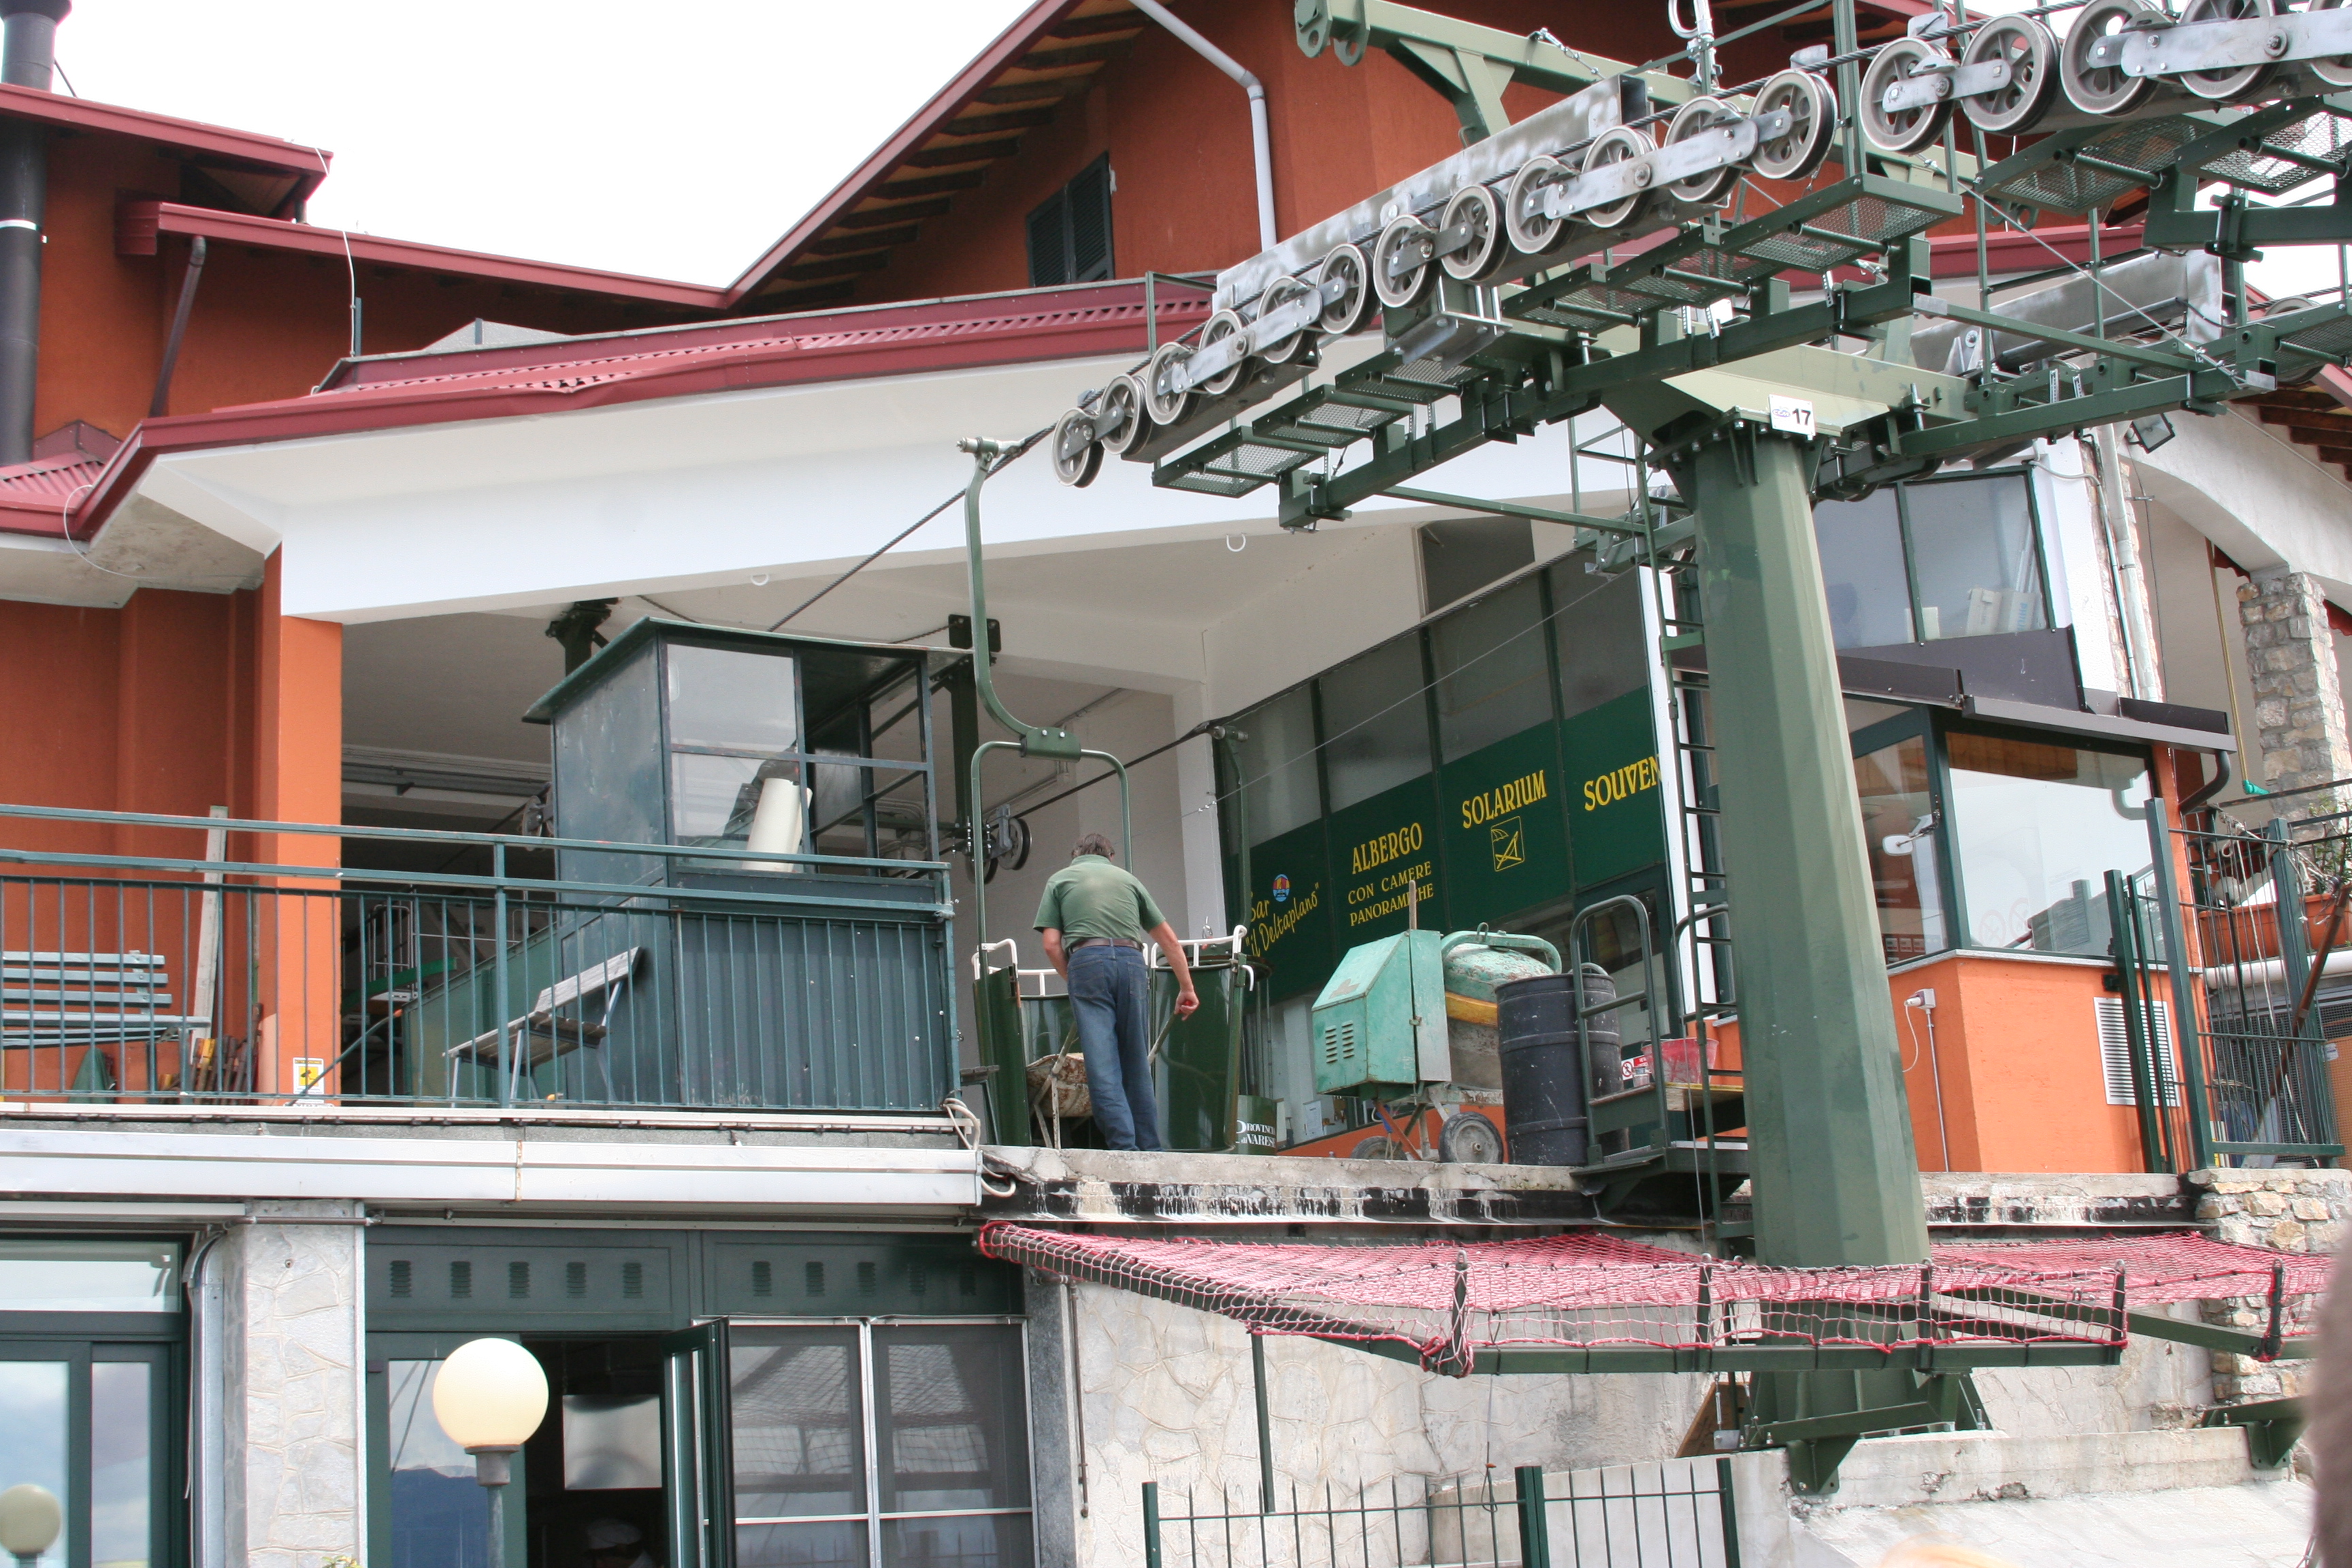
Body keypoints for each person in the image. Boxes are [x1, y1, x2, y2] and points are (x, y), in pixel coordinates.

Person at [1034, 832, 1198, 1151]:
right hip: (1132, 961)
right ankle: (1150, 1149)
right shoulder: (1128, 880)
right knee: (1135, 1059)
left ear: (1075, 855)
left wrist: (1076, 979)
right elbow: (1169, 940)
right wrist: (1186, 987)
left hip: (1087, 961)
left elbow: (1051, 944)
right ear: (1110, 857)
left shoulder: (1060, 880)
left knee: (1102, 1063)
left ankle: (1124, 1148)